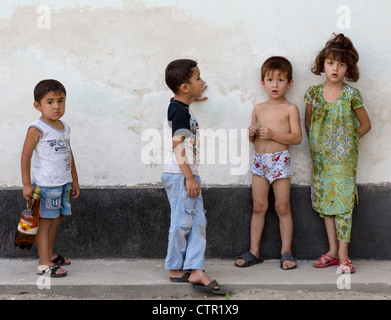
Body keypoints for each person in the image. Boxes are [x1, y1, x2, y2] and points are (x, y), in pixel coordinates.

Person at [305, 33, 371, 273]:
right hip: (321, 160)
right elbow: (309, 125)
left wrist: (347, 143)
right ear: (322, 64)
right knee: (326, 203)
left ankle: (344, 255)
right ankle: (333, 251)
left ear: (348, 68)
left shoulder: (352, 95)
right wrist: (320, 147)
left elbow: (365, 125)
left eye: (341, 64)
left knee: (343, 204)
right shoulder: (312, 93)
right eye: (331, 63)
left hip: (344, 161)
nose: (335, 68)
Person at [161, 59, 227, 294]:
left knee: (197, 222)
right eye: (198, 78)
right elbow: (177, 143)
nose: (203, 81)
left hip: (186, 174)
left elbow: (185, 103)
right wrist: (189, 177)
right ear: (185, 87)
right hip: (181, 175)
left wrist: (194, 95)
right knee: (183, 222)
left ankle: (195, 269)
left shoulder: (181, 106)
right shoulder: (179, 110)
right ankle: (176, 268)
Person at [235, 56, 302, 270]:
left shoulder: (290, 109)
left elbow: (296, 138)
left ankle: (286, 252)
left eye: (281, 80)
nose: (275, 85)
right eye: (270, 80)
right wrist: (251, 133)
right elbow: (254, 139)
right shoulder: (258, 108)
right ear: (263, 83)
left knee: (282, 207)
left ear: (289, 83)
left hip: (279, 160)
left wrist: (273, 133)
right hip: (259, 162)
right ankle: (254, 251)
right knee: (258, 206)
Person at [21, 79, 80, 277]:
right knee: (45, 223)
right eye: (50, 102)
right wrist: (27, 184)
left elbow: (68, 154)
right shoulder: (37, 128)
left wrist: (74, 179)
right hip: (45, 186)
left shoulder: (64, 127)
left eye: (61, 100)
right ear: (37, 105)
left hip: (62, 183)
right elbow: (26, 156)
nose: (57, 106)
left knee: (57, 218)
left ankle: (51, 254)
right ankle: (44, 263)